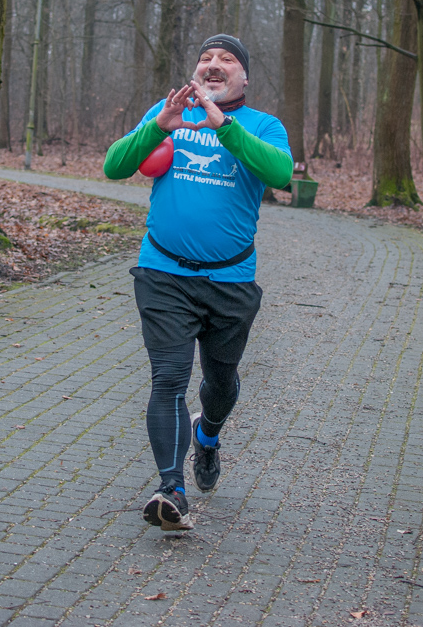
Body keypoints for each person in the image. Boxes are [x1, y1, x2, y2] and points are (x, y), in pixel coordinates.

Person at [103, 34, 293, 532]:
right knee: (168, 378)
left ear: (244, 78)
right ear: (195, 72)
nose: (214, 64)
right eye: (206, 58)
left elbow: (280, 174)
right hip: (163, 273)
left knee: (220, 383)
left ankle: (207, 436)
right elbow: (114, 166)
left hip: (231, 280)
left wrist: (224, 126)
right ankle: (171, 490)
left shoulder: (263, 126)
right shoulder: (167, 111)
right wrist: (157, 127)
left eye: (227, 59)